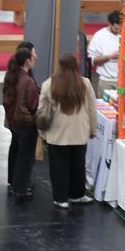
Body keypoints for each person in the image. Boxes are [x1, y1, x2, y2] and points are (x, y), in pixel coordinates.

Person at [39, 54, 97, 208]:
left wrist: (42, 133)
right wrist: (93, 129)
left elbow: (41, 110)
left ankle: (60, 198)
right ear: (75, 66)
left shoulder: (48, 84)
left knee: (58, 167)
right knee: (78, 165)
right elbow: (92, 109)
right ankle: (77, 195)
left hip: (56, 134)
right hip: (80, 133)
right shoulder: (85, 83)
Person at [2, 46, 40, 201]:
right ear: (27, 61)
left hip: (14, 123)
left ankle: (13, 182)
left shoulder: (11, 76)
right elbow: (33, 106)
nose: (36, 57)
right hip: (26, 125)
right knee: (25, 157)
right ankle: (20, 188)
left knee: (15, 152)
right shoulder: (28, 82)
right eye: (33, 55)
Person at [88, 10, 123, 96]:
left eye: (120, 29)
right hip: (106, 82)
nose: (118, 31)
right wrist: (110, 57)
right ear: (109, 24)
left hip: (122, 81)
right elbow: (92, 61)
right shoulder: (99, 36)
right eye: (116, 28)